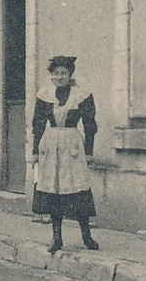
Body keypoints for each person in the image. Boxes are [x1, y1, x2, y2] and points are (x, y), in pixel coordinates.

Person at [29, 55, 98, 252]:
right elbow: (38, 124)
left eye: (64, 73)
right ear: (51, 76)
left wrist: (89, 152)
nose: (60, 77)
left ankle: (87, 237)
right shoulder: (44, 95)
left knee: (78, 190)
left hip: (73, 145)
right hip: (51, 145)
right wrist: (35, 151)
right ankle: (57, 238)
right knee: (54, 190)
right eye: (56, 73)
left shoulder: (82, 95)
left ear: (70, 75)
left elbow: (90, 124)